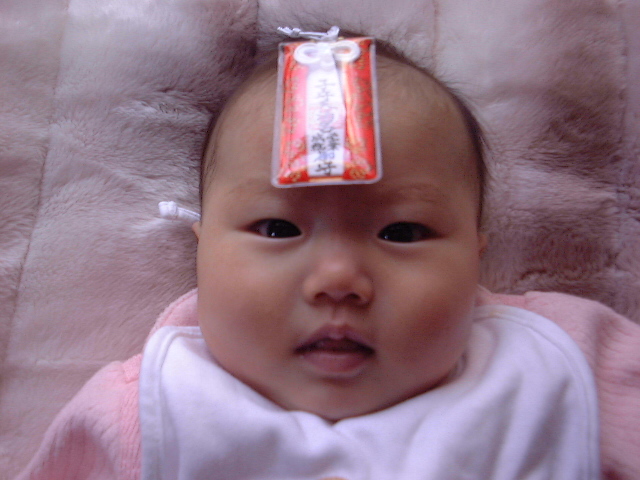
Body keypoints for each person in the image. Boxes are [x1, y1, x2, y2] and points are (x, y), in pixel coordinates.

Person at [17, 43, 600, 479]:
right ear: (202, 247)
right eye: (278, 228)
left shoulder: (563, 365)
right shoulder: (146, 413)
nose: (338, 279)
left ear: (476, 253)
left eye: (401, 231)